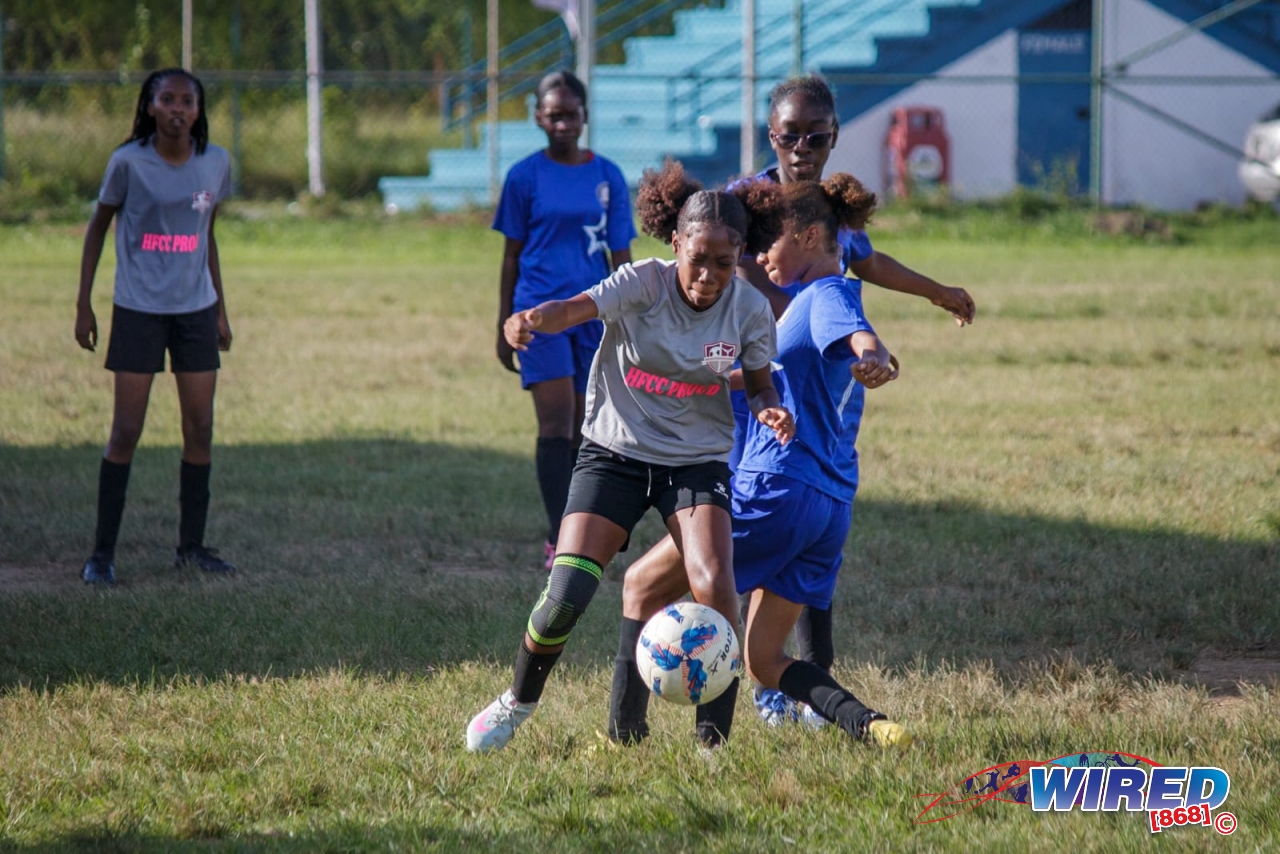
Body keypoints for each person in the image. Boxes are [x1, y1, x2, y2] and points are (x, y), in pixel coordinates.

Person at [466, 160, 795, 753]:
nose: (709, 276)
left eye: (724, 263)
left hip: (695, 462)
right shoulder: (642, 282)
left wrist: (770, 407)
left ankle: (712, 745)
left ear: (741, 255)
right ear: (676, 245)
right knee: (567, 593)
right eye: (698, 259)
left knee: (716, 584)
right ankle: (518, 700)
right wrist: (531, 319)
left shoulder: (748, 309)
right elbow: (573, 308)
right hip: (613, 453)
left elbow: (758, 382)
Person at [608, 174, 911, 749]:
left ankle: (626, 737)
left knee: (641, 585)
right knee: (763, 659)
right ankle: (871, 726)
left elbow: (859, 336)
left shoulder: (826, 294)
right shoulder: (807, 304)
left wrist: (874, 356)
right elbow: (764, 378)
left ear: (810, 236)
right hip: (828, 506)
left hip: (776, 488)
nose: (761, 254)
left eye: (771, 241)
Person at [733, 74, 976, 725]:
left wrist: (935, 291)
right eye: (790, 136)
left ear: (834, 136)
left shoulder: (829, 217)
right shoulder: (749, 203)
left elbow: (867, 263)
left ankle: (810, 690)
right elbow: (725, 264)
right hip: (759, 399)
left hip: (817, 398)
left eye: (816, 136)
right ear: (771, 136)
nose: (802, 148)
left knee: (805, 542)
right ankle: (760, 691)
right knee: (766, 538)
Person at [75, 68, 235, 585]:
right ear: (149, 106)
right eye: (167, 99)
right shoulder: (128, 162)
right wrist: (84, 304)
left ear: (198, 110)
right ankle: (102, 554)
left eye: (187, 101)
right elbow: (98, 228)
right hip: (138, 308)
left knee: (200, 428)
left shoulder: (215, 162)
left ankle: (191, 547)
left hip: (194, 310)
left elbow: (206, 235)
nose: (177, 109)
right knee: (126, 431)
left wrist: (219, 309)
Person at [493, 70, 636, 570]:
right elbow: (511, 256)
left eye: (570, 114)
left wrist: (633, 321)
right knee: (556, 424)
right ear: (538, 117)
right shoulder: (523, 176)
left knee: (588, 428)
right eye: (553, 115)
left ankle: (585, 529)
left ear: (585, 116)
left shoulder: (608, 176)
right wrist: (503, 323)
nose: (562, 124)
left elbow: (622, 259)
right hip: (538, 313)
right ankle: (560, 538)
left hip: (593, 314)